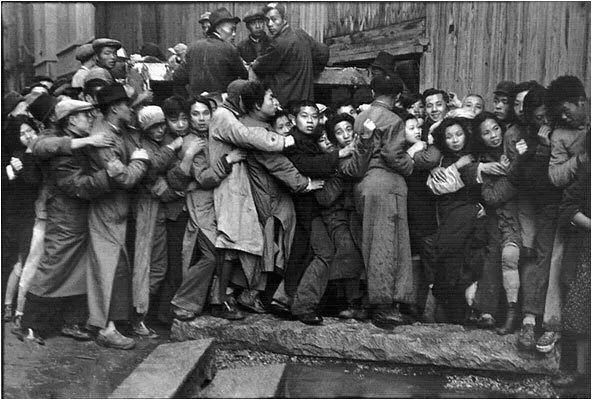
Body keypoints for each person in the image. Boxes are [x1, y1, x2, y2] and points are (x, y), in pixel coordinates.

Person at [16, 99, 112, 345]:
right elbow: (75, 185)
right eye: (85, 115)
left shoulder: (75, 139)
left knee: (77, 269)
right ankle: (30, 325)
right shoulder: (59, 145)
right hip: (65, 217)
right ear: (71, 120)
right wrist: (108, 174)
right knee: (54, 267)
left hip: (77, 216)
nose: (90, 119)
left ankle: (70, 322)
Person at [208, 79, 296, 317]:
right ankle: (220, 302)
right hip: (228, 186)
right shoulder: (223, 116)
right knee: (229, 243)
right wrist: (284, 140)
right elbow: (246, 136)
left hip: (236, 185)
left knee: (240, 244)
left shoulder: (230, 115)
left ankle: (231, 297)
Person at [240, 82, 322, 311]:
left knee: (276, 249)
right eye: (270, 98)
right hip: (271, 200)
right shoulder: (258, 134)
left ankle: (267, 296)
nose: (275, 101)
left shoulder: (254, 126)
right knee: (276, 250)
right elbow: (279, 165)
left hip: (269, 198)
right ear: (257, 105)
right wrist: (305, 184)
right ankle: (261, 296)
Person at [349, 75, 418, 329]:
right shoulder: (393, 120)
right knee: (387, 245)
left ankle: (369, 302)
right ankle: (384, 307)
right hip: (387, 186)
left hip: (365, 184)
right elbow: (392, 154)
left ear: (373, 92)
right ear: (397, 97)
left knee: (370, 242)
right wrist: (411, 163)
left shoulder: (360, 117)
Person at [86, 84, 150, 350]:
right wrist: (140, 161)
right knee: (107, 268)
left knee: (118, 268)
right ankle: (105, 329)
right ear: (114, 108)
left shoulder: (114, 127)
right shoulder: (103, 138)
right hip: (107, 211)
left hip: (117, 210)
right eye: (127, 105)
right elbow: (123, 177)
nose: (131, 109)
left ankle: (113, 323)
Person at [282, 101, 357, 324]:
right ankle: (302, 305)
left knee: (320, 253)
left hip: (315, 210)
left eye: (314, 116)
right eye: (304, 116)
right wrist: (339, 155)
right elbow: (305, 165)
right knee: (323, 253)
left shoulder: (312, 139)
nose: (310, 121)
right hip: (307, 209)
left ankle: (296, 302)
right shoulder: (293, 142)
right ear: (294, 119)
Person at [537, 75, 589, 354]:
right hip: (573, 206)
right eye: (560, 114)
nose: (564, 117)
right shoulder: (559, 135)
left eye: (567, 111)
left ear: (581, 102)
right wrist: (580, 160)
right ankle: (553, 324)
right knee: (559, 264)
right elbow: (555, 176)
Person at [469, 112, 527, 333]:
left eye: (495, 129)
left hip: (520, 216)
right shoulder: (486, 161)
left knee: (512, 257)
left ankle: (517, 315)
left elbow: (521, 183)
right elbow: (491, 197)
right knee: (494, 254)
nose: (493, 135)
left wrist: (511, 169)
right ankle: (488, 311)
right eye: (486, 132)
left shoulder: (512, 149)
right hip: (498, 218)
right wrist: (503, 173)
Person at [315, 113, 375, 319]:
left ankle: (366, 302)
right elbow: (326, 197)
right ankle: (352, 302)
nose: (346, 135)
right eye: (339, 133)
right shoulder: (335, 160)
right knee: (348, 251)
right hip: (340, 214)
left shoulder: (366, 148)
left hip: (361, 211)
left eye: (349, 129)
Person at [130, 106, 183, 337]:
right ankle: (137, 317)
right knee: (144, 264)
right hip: (145, 210)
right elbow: (150, 170)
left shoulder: (164, 142)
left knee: (158, 266)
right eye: (154, 127)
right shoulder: (143, 145)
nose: (160, 130)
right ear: (145, 129)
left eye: (162, 125)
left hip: (158, 212)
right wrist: (171, 149)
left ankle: (144, 314)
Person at [428, 118, 485, 324]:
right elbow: (439, 187)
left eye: (459, 134)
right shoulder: (441, 160)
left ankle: (471, 310)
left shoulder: (476, 154)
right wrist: (457, 166)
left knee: (471, 257)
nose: (455, 140)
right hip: (452, 214)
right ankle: (449, 311)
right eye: (449, 136)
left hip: (474, 214)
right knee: (449, 258)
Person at [552, 132, 590, 387]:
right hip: (587, 252)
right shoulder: (587, 175)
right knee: (582, 310)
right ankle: (580, 372)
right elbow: (567, 209)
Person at [2, 116, 43, 323]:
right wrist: (18, 165)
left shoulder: (39, 152)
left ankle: (12, 305)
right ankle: (11, 306)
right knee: (21, 260)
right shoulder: (17, 156)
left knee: (24, 260)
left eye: (30, 131)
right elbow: (31, 180)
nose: (28, 136)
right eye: (22, 133)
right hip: (20, 215)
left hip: (32, 213)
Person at [251, 2, 329, 106]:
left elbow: (259, 67)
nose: (269, 24)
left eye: (274, 19)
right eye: (267, 20)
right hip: (305, 102)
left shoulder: (279, 43)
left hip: (284, 103)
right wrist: (312, 70)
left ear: (284, 19)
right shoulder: (301, 34)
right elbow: (324, 51)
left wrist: (255, 63)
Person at [173, 7, 248, 97]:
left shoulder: (192, 47)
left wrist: (188, 99)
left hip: (197, 102)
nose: (234, 34)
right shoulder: (229, 49)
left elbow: (178, 77)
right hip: (221, 101)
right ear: (218, 29)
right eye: (231, 29)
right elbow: (244, 76)